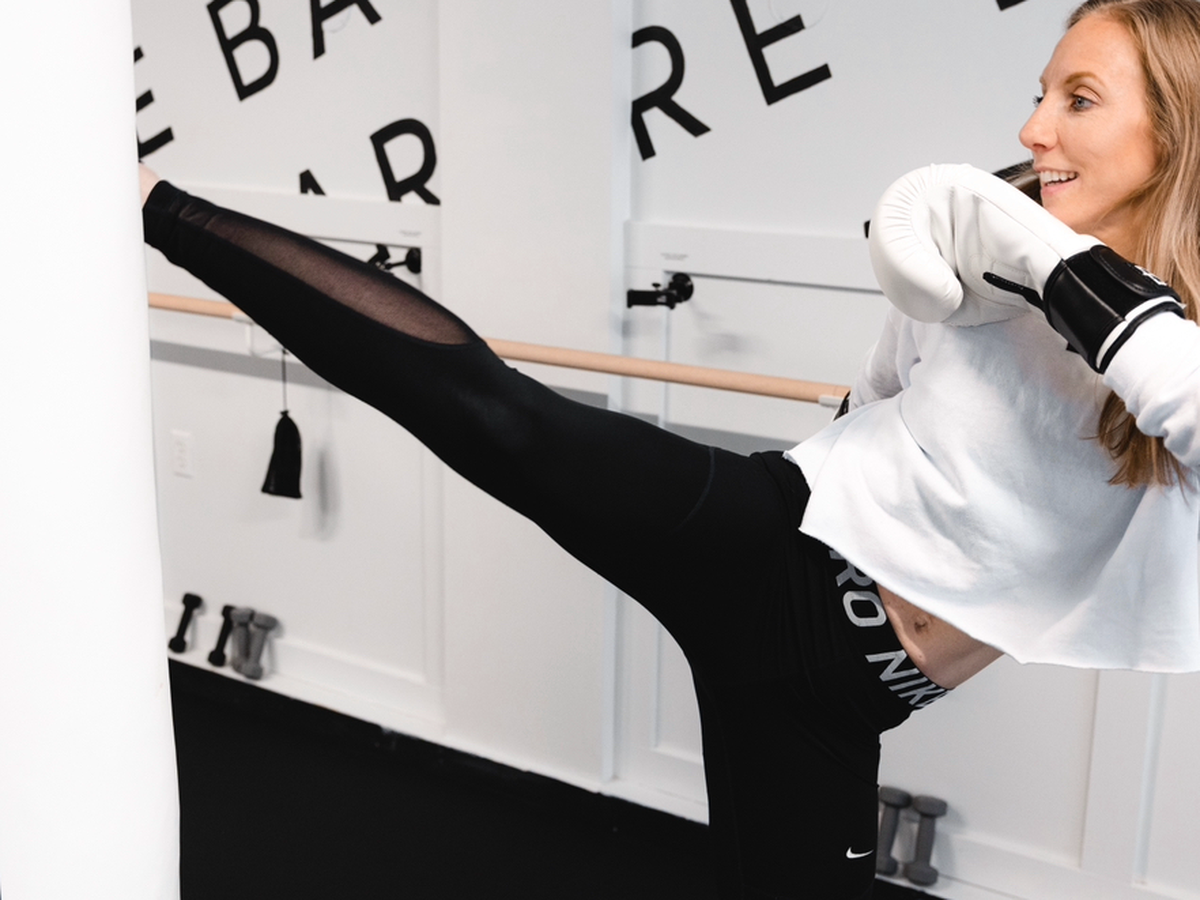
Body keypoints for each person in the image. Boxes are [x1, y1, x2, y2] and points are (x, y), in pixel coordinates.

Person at [137, 1, 1200, 896]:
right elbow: (876, 395)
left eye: (1079, 100)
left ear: (1177, 124)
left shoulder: (1127, 312)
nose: (1033, 127)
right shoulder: (980, 248)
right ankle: (154, 205)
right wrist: (1015, 244)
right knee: (494, 413)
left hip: (841, 701)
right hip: (769, 555)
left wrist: (1052, 261)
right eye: (1040, 92)